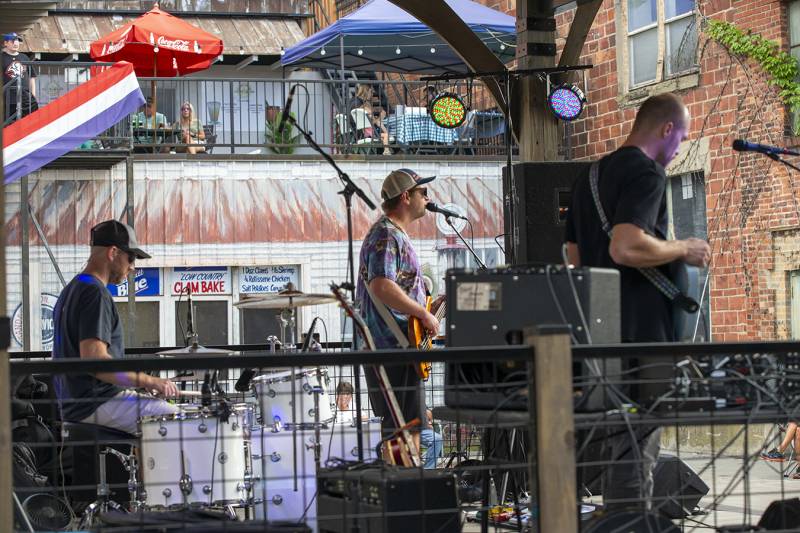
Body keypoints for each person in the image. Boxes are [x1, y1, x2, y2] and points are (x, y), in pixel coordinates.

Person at [565, 93, 711, 511]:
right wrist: (682, 248)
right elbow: (625, 247)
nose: (680, 149)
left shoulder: (590, 177)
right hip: (642, 342)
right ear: (667, 130)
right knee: (636, 457)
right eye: (681, 138)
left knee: (616, 451)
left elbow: (573, 260)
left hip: (600, 339)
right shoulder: (647, 174)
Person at [53, 220, 179, 435]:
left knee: (161, 420)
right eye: (130, 258)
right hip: (96, 402)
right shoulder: (94, 293)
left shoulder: (72, 288)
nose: (132, 267)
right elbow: (96, 362)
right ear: (113, 252)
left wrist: (142, 384)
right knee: (179, 421)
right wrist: (150, 381)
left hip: (77, 402)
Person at [355, 168, 439, 463]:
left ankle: (405, 486)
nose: (428, 199)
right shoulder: (386, 234)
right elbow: (381, 285)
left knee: (407, 427)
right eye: (423, 193)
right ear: (406, 196)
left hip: (398, 345)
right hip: (392, 347)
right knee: (404, 430)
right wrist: (422, 314)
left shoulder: (390, 233)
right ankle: (404, 490)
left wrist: (429, 306)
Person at [2, 32, 38, 121]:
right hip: (7, 98)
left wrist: (33, 94)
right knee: (8, 124)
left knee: (29, 120)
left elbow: (32, 77)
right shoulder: (2, 57)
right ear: (5, 43)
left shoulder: (24, 57)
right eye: (13, 41)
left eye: (18, 40)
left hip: (25, 97)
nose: (16, 43)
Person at [352, 84, 391, 155]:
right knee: (383, 130)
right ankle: (387, 150)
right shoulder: (361, 105)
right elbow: (371, 122)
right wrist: (380, 117)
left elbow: (368, 120)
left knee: (382, 134)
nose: (372, 94)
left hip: (359, 132)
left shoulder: (355, 102)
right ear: (366, 92)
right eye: (371, 92)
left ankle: (385, 150)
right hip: (365, 132)